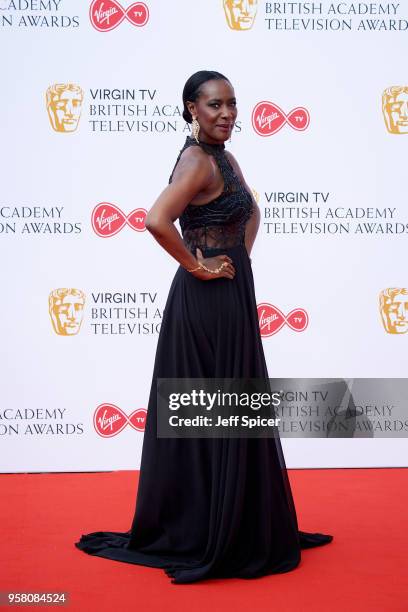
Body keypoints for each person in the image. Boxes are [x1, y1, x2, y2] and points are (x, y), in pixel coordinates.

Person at [75, 70, 333, 584]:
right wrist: (200, 267)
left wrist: (237, 259)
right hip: (206, 306)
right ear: (191, 108)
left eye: (233, 105)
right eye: (215, 105)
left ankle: (238, 519)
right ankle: (206, 526)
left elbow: (250, 213)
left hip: (231, 295)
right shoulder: (195, 161)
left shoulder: (224, 157)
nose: (227, 114)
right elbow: (155, 219)